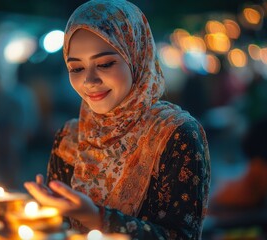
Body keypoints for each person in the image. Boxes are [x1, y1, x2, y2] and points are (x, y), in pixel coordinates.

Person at [24, 0, 211, 239]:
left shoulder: (174, 133)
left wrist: (96, 217)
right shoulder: (70, 137)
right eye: (76, 68)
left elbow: (181, 236)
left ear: (136, 56)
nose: (89, 81)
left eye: (105, 64)